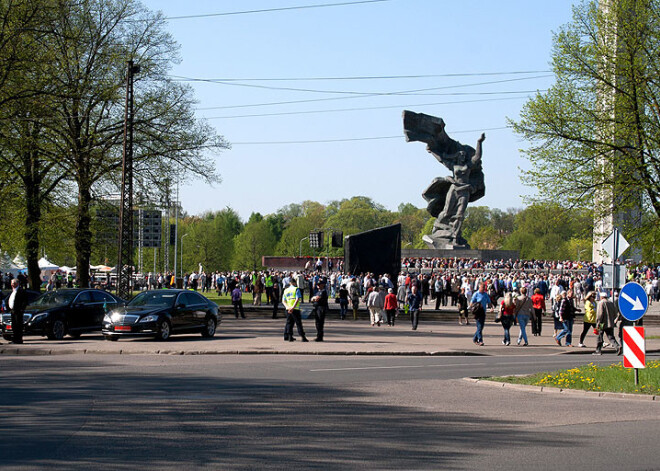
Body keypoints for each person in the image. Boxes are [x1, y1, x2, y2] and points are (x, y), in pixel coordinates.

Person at [594, 291, 621, 355]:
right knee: (611, 337)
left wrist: (598, 322)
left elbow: (600, 314)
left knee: (599, 336)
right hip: (610, 323)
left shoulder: (601, 303)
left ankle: (598, 350)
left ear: (601, 297)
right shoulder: (611, 303)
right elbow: (615, 313)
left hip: (601, 323)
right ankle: (617, 347)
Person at [7, 278, 28, 344]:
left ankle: (18, 339)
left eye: (13, 283)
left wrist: (21, 309)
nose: (12, 285)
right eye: (11, 283)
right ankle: (15, 339)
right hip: (13, 311)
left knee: (18, 325)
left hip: (18, 311)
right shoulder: (13, 291)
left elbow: (24, 301)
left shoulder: (21, 291)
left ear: (17, 283)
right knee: (14, 325)